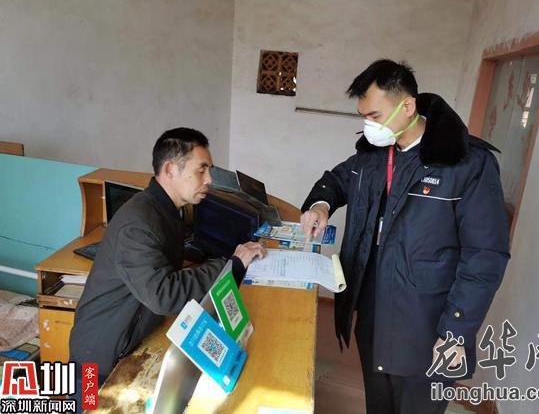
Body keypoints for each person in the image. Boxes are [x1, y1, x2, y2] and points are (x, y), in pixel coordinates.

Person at [300, 60, 510, 413]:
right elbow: (337, 180)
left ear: (408, 106)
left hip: (427, 323)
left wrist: (455, 331)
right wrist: (320, 205)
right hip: (373, 307)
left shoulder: (466, 164)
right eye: (363, 117)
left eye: (376, 116)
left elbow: (485, 256)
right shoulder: (373, 156)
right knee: (379, 402)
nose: (369, 126)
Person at [69, 127, 265, 411]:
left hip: (129, 339)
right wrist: (230, 265)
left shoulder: (166, 210)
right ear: (171, 169)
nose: (209, 179)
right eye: (201, 170)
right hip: (95, 359)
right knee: (87, 407)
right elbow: (164, 294)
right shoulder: (138, 224)